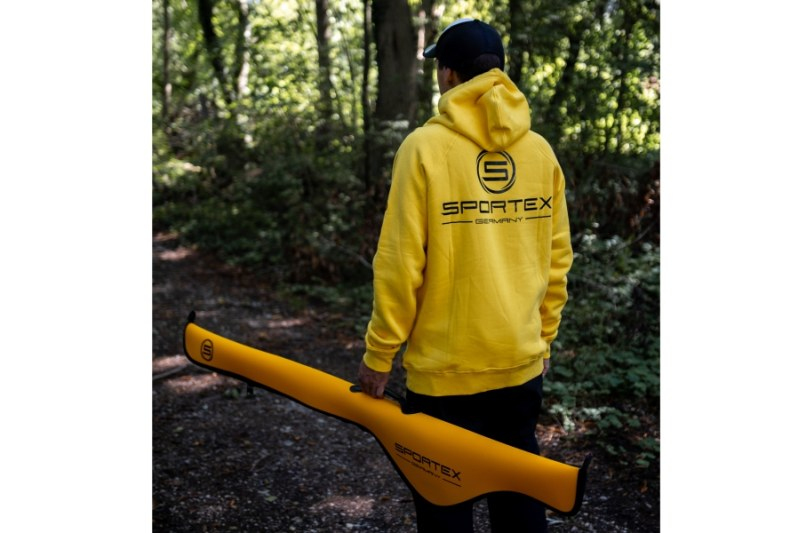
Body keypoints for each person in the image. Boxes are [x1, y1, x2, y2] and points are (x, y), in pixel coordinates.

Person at [358, 17, 573, 533]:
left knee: (444, 510)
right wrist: (543, 340)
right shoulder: (539, 152)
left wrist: (380, 355)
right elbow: (558, 259)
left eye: (440, 68)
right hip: (519, 366)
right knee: (518, 500)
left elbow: (400, 263)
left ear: (449, 74)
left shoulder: (423, 149)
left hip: (444, 377)